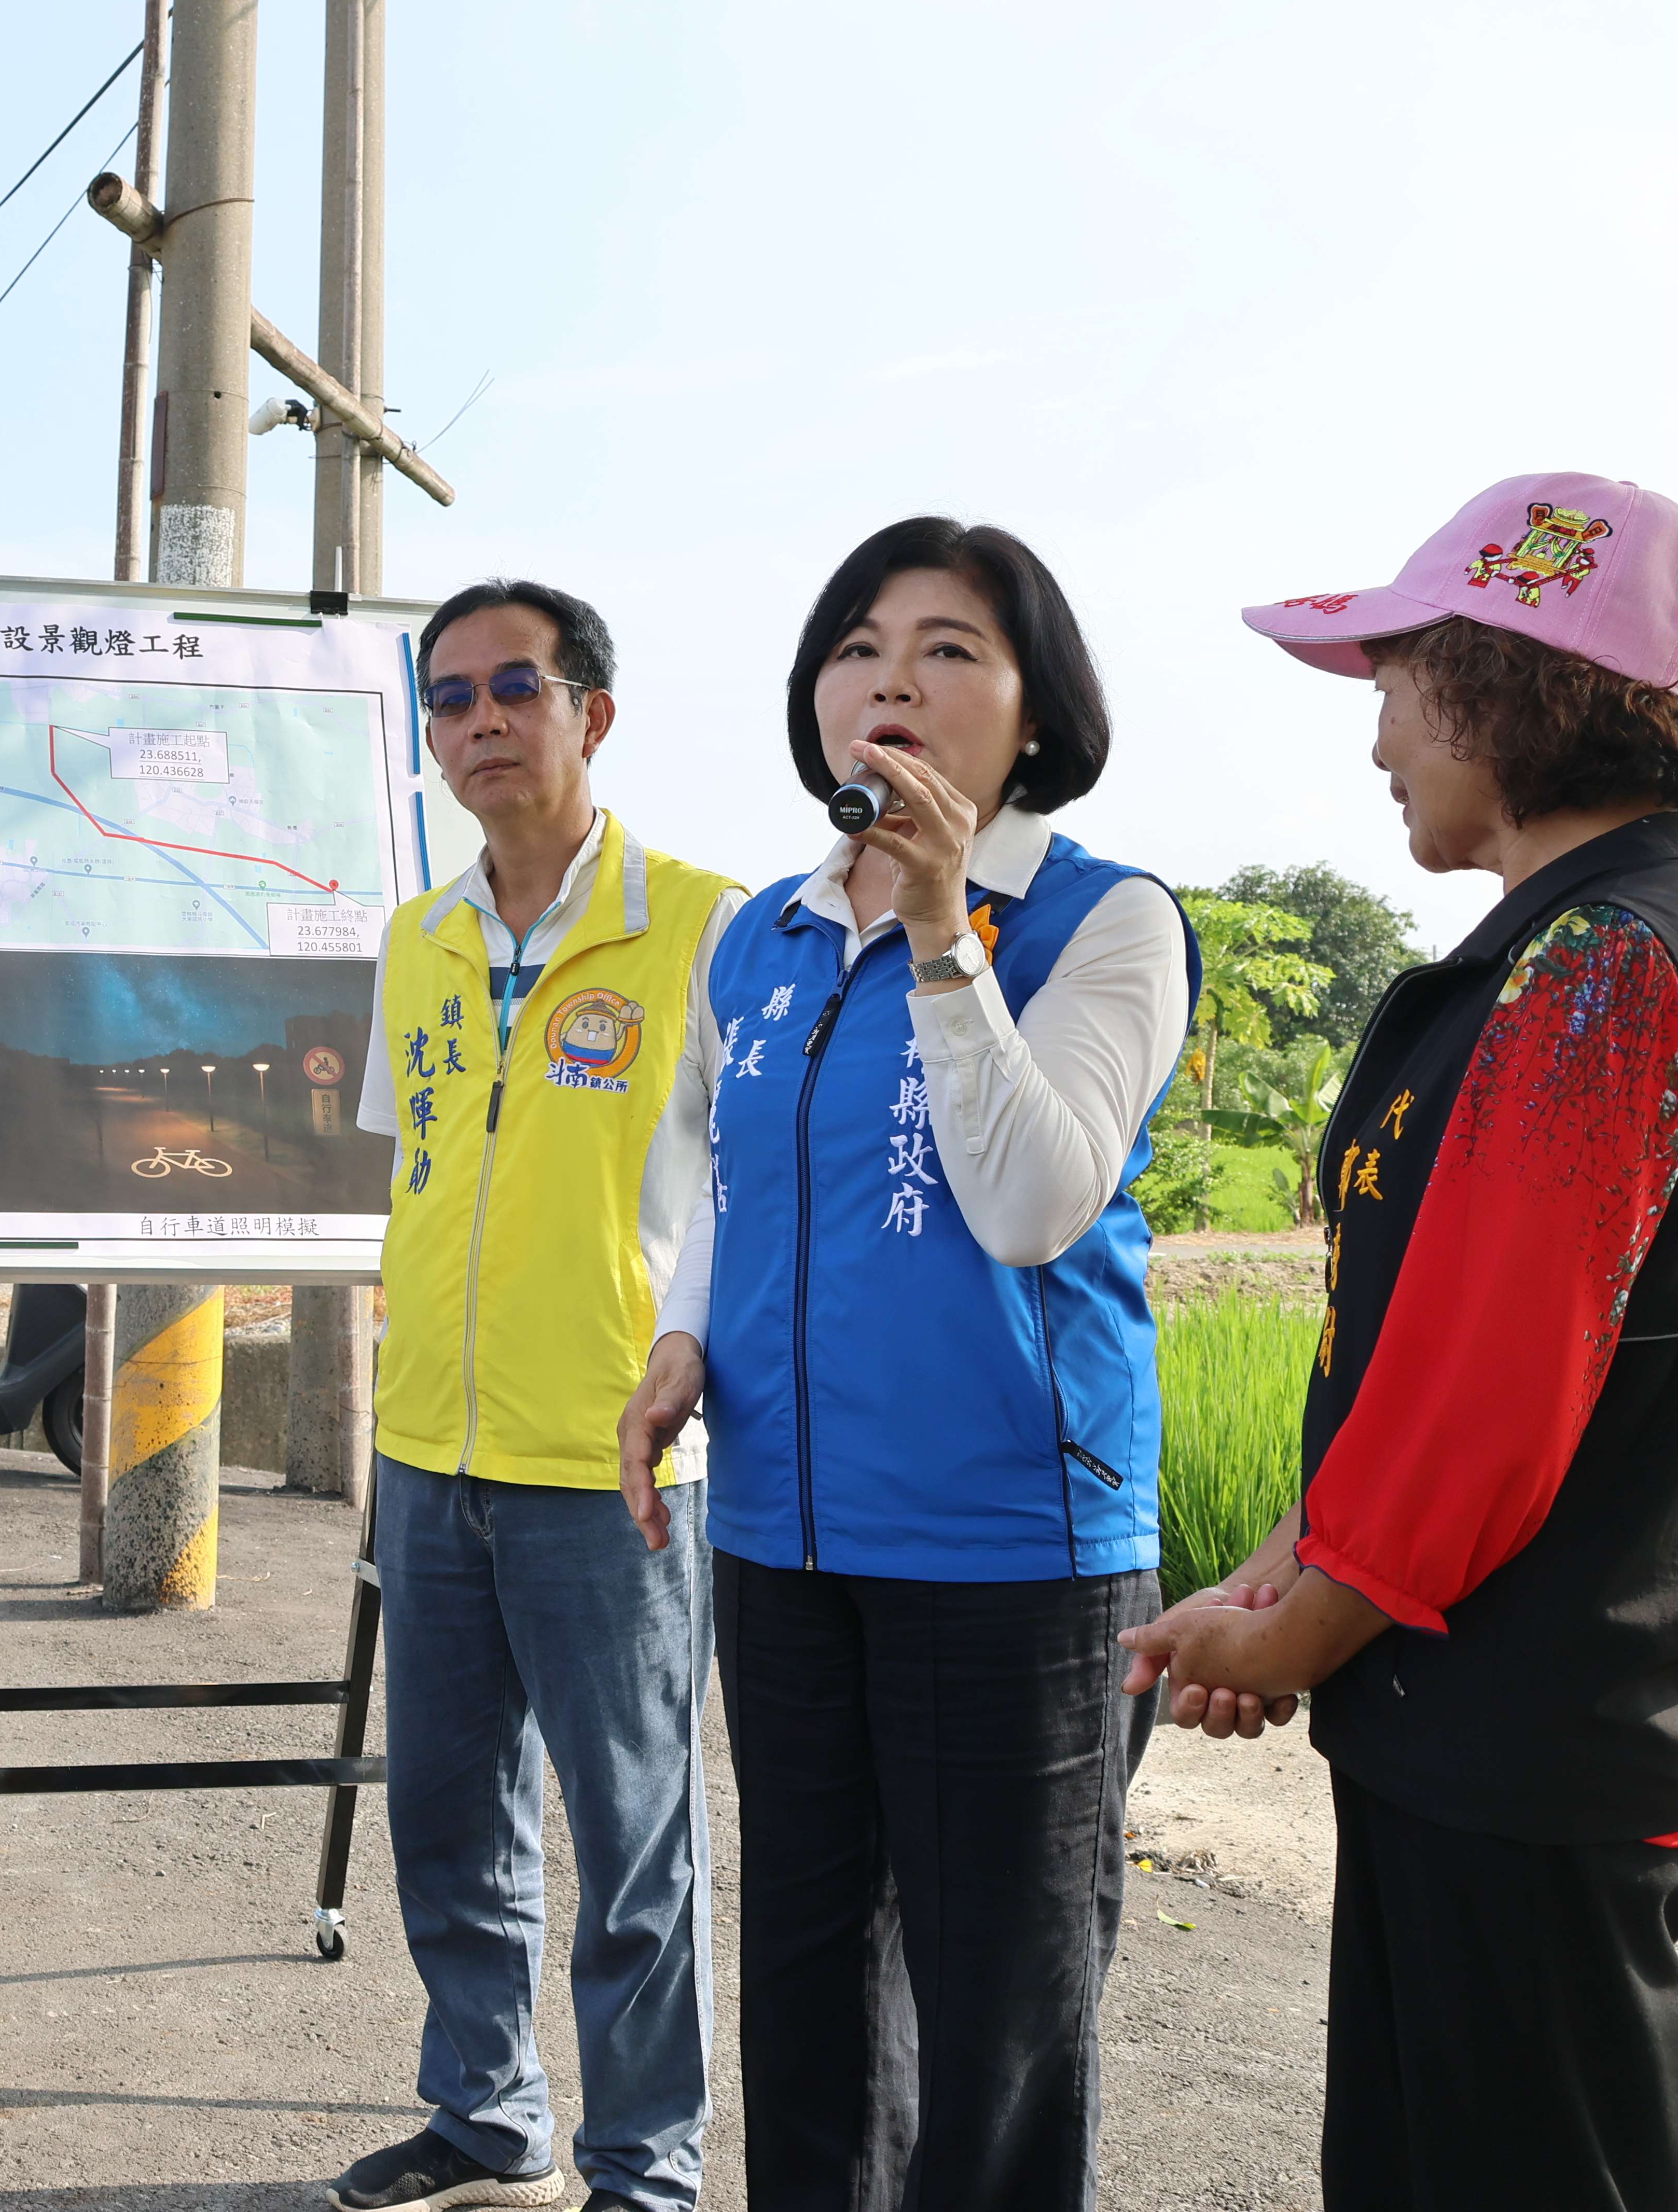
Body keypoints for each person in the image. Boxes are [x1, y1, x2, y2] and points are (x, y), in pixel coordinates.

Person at [1127, 474, 1678, 2209]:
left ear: (1505, 680)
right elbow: (1416, 1354)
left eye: (1400, 683)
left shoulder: (1602, 979)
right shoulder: (1614, 953)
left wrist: (1312, 1622)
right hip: (1500, 1724)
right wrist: (1284, 1583)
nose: (1381, 741)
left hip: (1529, 1751)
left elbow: (1494, 1394)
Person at [619, 517, 1198, 2209]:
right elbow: (726, 1180)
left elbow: (1029, 1202)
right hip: (787, 1538)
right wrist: (678, 1342)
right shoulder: (760, 940)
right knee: (807, 1980)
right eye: (860, 644)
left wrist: (948, 929)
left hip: (1009, 1555)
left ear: (1035, 712)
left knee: (1000, 2012)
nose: (892, 678)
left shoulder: (1104, 921)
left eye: (951, 648)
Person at [330, 580, 743, 2212]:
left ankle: (643, 2168)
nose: (481, 721)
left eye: (517, 687)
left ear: (594, 714)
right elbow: (425, 1171)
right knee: (444, 1814)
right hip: (431, 1443)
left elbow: (746, 1188)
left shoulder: (711, 927)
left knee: (635, 1842)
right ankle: (482, 2108)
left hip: (617, 1460)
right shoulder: (417, 937)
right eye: (450, 698)